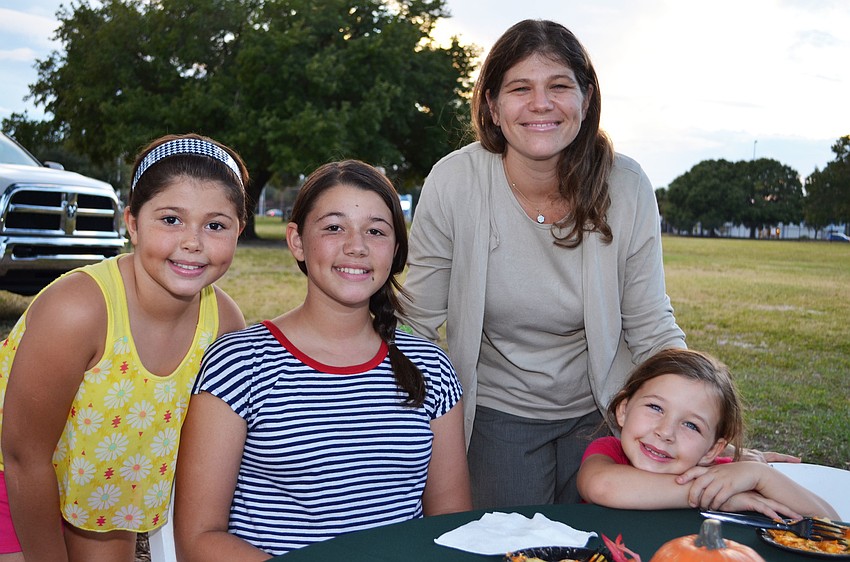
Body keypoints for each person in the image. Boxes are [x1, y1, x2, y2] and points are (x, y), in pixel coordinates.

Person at [397, 18, 687, 509]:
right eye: (519, 88)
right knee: (501, 543)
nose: (540, 104)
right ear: (491, 104)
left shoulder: (627, 185)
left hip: (603, 407)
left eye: (559, 86)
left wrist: (698, 408)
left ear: (587, 97)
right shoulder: (454, 181)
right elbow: (417, 323)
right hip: (496, 409)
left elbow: (649, 322)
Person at [174, 160, 471, 560]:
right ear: (296, 240)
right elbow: (199, 538)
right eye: (334, 227)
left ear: (397, 249)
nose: (356, 246)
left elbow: (450, 525)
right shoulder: (240, 363)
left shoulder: (430, 366)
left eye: (376, 231)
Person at [0, 133, 249, 562]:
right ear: (132, 222)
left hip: (103, 492)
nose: (192, 241)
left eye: (215, 225)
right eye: (171, 219)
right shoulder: (77, 310)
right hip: (14, 479)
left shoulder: (225, 323)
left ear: (239, 231)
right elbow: (24, 456)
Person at [577, 348, 839, 520]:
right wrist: (714, 497)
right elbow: (603, 486)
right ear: (623, 410)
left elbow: (832, 521)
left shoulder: (723, 477)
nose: (665, 432)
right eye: (655, 407)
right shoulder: (609, 453)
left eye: (691, 425)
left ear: (713, 449)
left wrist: (760, 475)